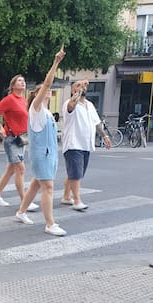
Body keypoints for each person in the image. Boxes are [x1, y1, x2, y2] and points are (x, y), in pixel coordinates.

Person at [15, 46, 67, 236]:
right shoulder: (36, 109)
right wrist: (56, 62)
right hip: (42, 155)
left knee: (36, 184)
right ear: (39, 94)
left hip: (48, 154)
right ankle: (49, 224)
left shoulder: (45, 112)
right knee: (48, 187)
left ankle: (21, 212)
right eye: (46, 90)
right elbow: (46, 83)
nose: (49, 91)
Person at [0, 75, 39, 211]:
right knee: (20, 169)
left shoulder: (24, 101)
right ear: (13, 86)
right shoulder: (9, 99)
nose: (23, 83)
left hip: (21, 139)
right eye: (19, 81)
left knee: (11, 170)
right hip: (11, 139)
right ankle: (25, 201)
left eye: (23, 81)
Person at [61, 79, 110, 210]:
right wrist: (77, 93)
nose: (81, 87)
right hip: (73, 143)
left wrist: (104, 135)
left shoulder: (89, 105)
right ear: (72, 90)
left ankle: (66, 196)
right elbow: (71, 107)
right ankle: (77, 201)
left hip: (86, 144)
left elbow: (96, 122)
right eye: (77, 85)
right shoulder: (69, 103)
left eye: (83, 85)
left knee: (75, 172)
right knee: (76, 173)